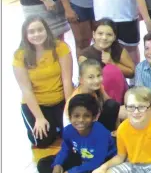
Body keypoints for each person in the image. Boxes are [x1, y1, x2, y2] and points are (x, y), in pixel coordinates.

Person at [36, 94, 116, 173]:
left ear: (94, 117)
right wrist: (58, 164)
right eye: (76, 116)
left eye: (86, 116)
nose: (81, 120)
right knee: (43, 163)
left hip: (101, 164)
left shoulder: (101, 133)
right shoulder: (68, 130)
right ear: (70, 116)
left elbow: (96, 162)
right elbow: (65, 149)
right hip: (81, 159)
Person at [13, 16, 73, 148]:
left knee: (71, 134)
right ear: (25, 35)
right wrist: (39, 118)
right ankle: (51, 125)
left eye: (40, 30)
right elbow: (26, 90)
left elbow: (67, 80)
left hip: (60, 100)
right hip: (37, 104)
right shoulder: (20, 56)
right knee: (43, 141)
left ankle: (57, 125)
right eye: (31, 32)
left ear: (47, 30)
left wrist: (69, 107)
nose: (37, 34)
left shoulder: (60, 47)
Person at [79, 18, 135, 104]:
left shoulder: (117, 48)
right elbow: (86, 82)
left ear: (114, 37)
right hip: (97, 96)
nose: (104, 38)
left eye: (109, 34)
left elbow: (132, 73)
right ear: (93, 34)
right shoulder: (85, 55)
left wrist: (112, 63)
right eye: (100, 34)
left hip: (120, 92)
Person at [63, 59, 121, 133]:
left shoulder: (99, 88)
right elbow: (78, 123)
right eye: (91, 77)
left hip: (93, 122)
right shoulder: (78, 99)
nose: (96, 80)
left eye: (98, 75)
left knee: (112, 104)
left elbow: (113, 107)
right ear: (81, 80)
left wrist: (118, 130)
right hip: (78, 129)